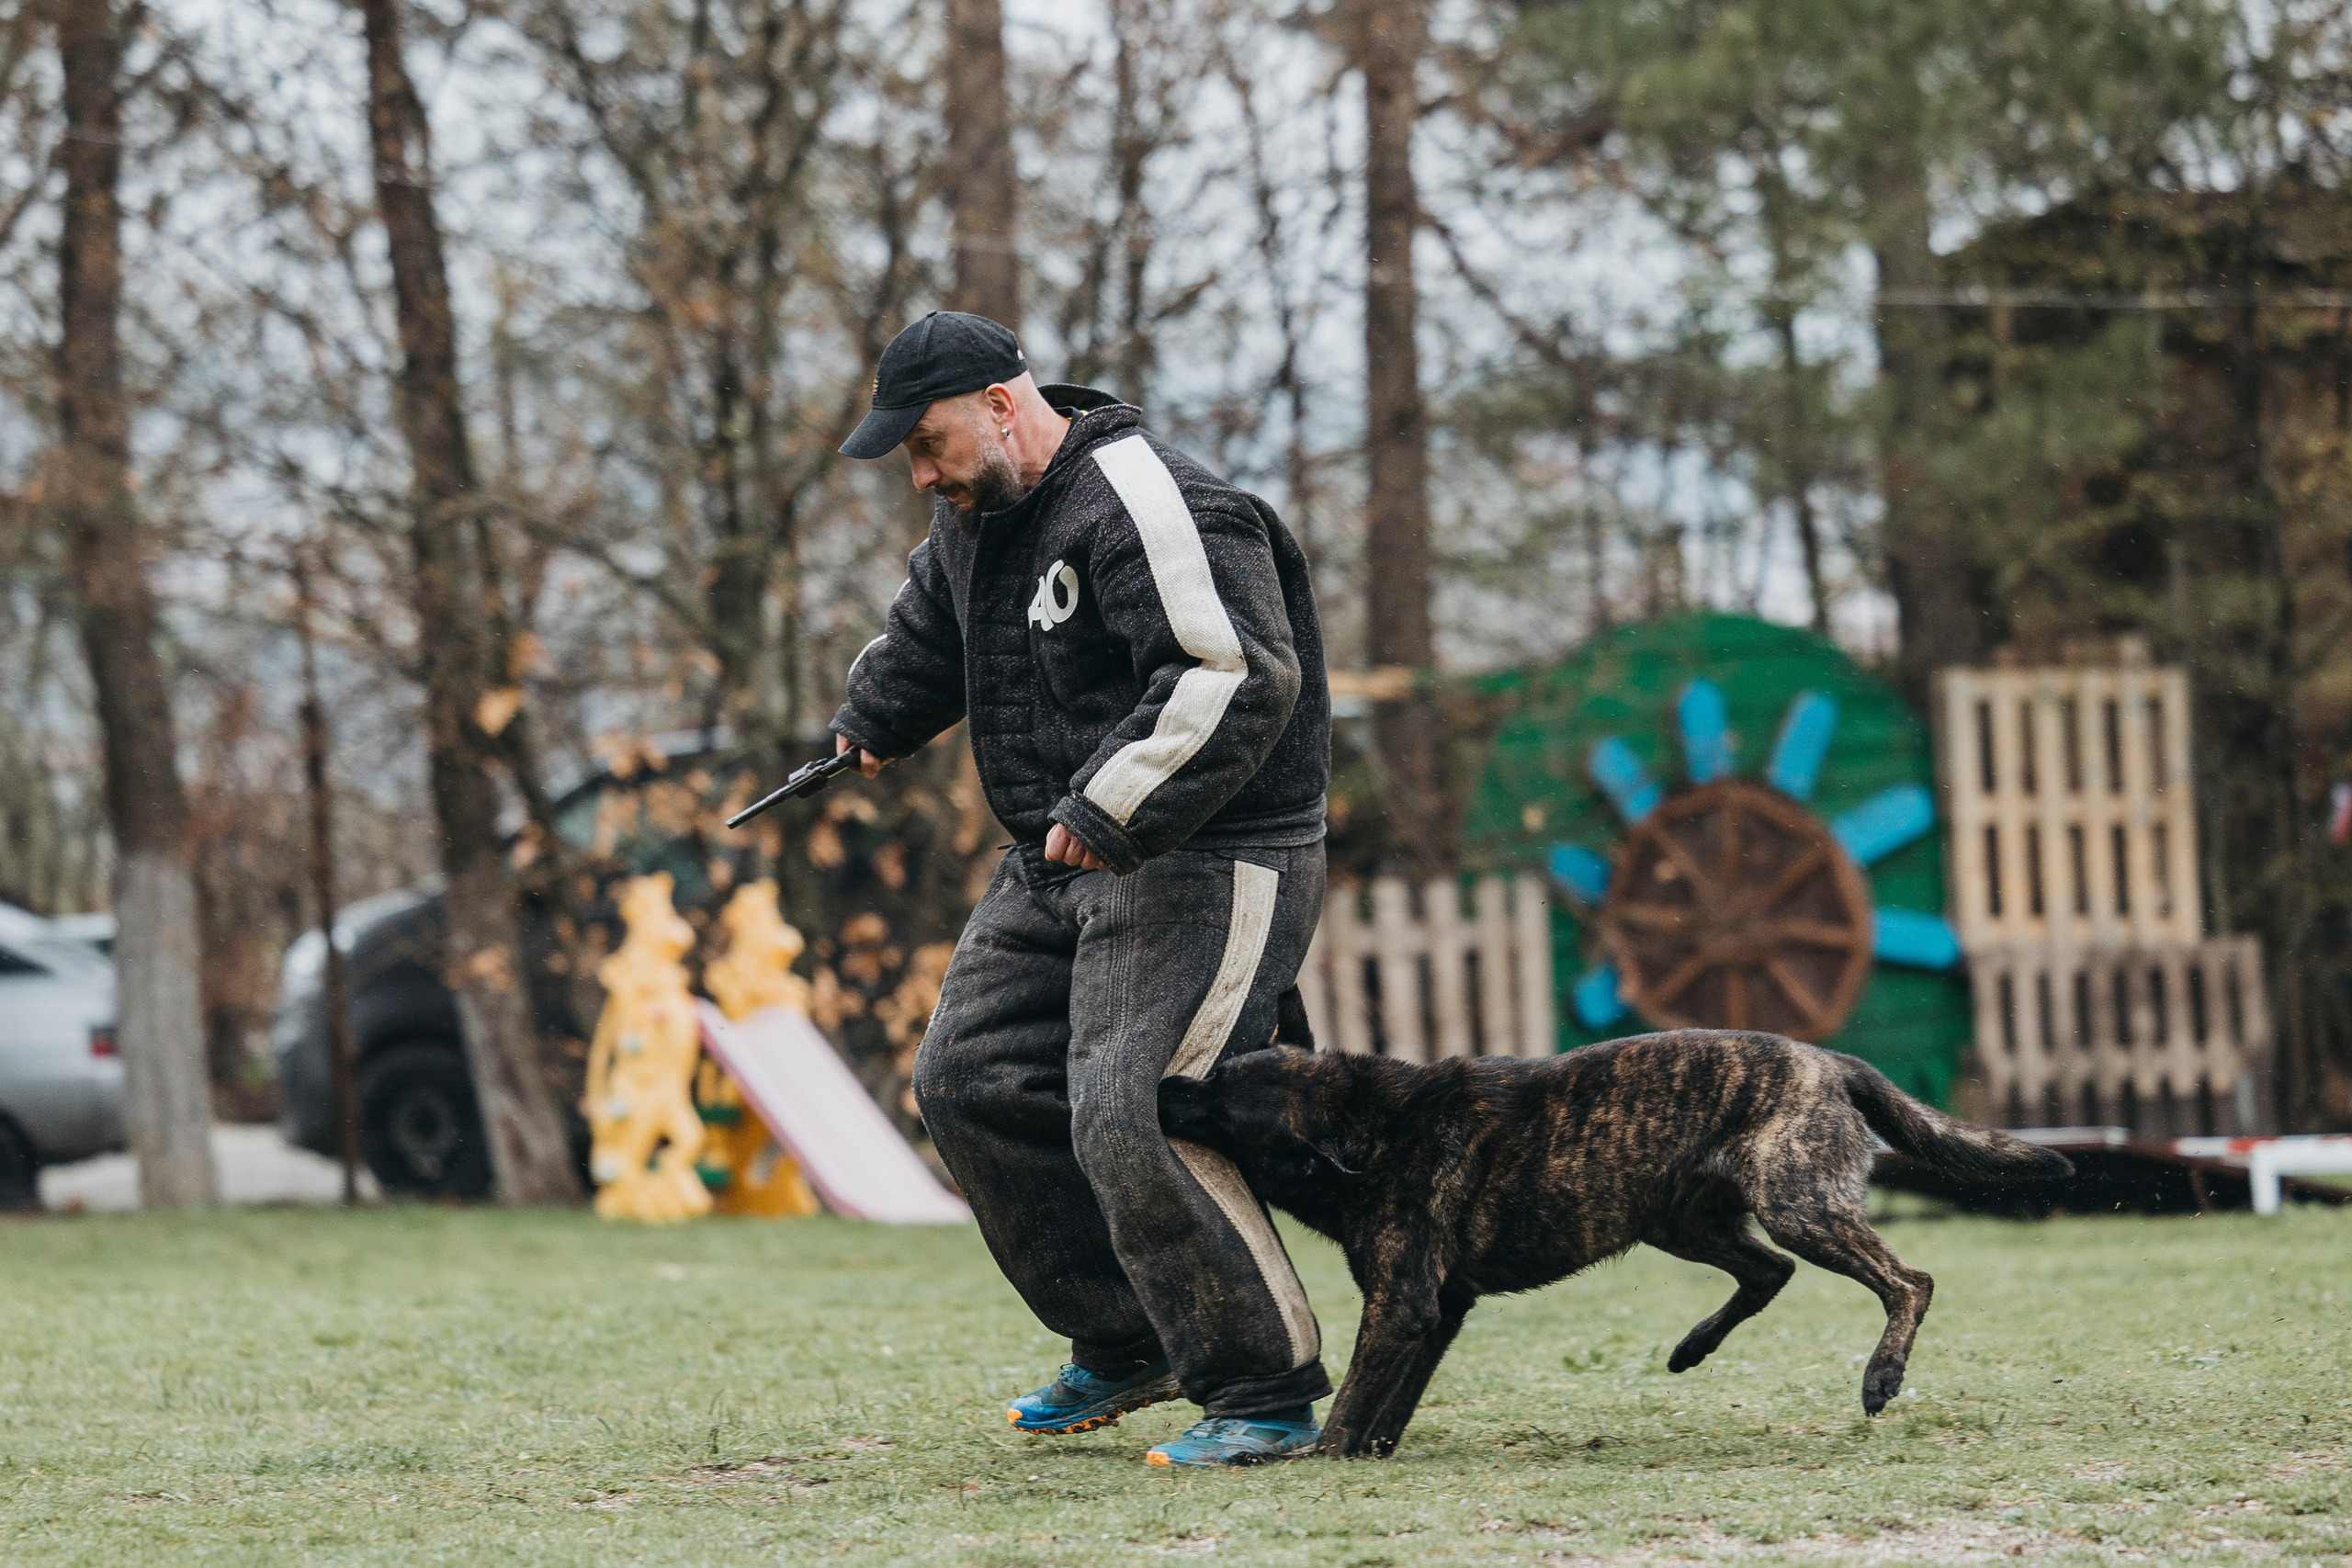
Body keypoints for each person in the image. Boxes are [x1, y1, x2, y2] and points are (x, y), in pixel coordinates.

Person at [829, 310, 1332, 1466]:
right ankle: (1126, 1338)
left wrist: (1111, 805)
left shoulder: (1151, 502)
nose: (918, 474)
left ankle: (1260, 1386)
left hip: (1208, 849)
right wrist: (870, 724)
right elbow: (927, 637)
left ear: (1002, 407)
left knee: (1140, 1104)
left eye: (927, 443)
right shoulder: (978, 517)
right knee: (967, 1080)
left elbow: (1236, 669)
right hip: (1057, 856)